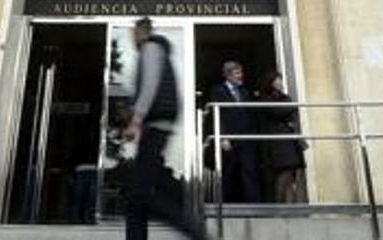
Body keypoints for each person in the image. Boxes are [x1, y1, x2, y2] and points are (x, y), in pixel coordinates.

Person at [123, 18, 207, 240]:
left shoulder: (150, 49)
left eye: (132, 34)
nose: (131, 39)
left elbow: (149, 85)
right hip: (157, 126)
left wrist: (136, 119)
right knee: (137, 197)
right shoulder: (159, 51)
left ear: (141, 33)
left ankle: (195, 232)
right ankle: (194, 231)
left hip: (155, 126)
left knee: (142, 194)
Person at [208, 60, 261, 203]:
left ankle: (254, 204)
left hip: (247, 137)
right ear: (227, 75)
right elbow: (216, 115)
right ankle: (224, 203)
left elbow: (250, 114)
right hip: (229, 137)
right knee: (229, 172)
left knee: (249, 171)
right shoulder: (218, 90)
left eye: (241, 72)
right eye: (237, 73)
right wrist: (222, 137)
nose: (241, 76)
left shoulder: (244, 91)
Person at [256, 71, 306, 204]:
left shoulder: (284, 97)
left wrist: (288, 108)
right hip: (277, 142)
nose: (280, 83)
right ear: (270, 82)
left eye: (280, 80)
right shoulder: (264, 97)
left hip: (290, 140)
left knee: (291, 174)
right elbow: (277, 111)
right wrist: (289, 108)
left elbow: (290, 110)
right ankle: (279, 206)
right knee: (283, 174)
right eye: (277, 80)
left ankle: (290, 206)